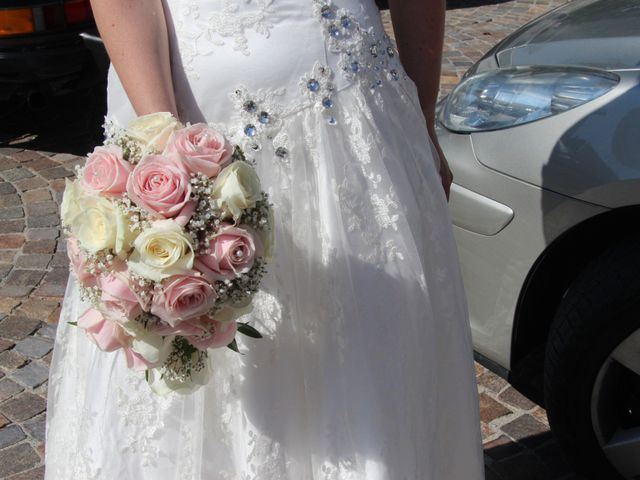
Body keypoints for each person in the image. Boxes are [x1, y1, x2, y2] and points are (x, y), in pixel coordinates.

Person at [45, 0, 485, 478]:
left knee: (364, 354)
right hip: (193, 103)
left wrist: (420, 120)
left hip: (356, 106)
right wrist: (168, 159)